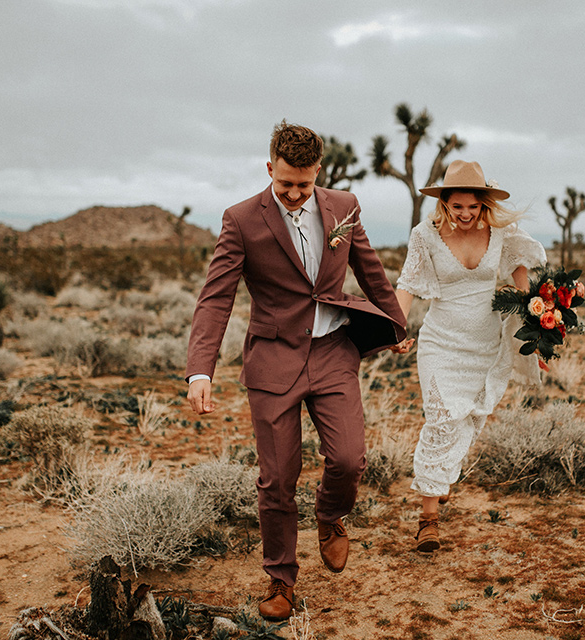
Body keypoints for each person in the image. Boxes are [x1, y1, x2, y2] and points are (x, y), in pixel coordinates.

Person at [185, 121, 406, 620]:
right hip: (273, 360)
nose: (293, 194)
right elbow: (216, 297)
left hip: (332, 354)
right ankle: (281, 580)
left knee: (349, 459)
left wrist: (396, 323)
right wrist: (201, 370)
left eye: (303, 185)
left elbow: (369, 268)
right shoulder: (241, 220)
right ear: (270, 169)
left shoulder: (343, 206)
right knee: (278, 479)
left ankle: (330, 516)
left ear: (318, 174)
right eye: (284, 184)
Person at [391, 160, 546, 552]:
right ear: (444, 202)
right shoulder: (424, 236)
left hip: (485, 343)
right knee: (441, 418)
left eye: (471, 207)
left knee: (470, 418)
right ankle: (428, 517)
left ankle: (438, 478)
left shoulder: (501, 233)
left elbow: (520, 277)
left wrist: (540, 327)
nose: (464, 214)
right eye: (456, 206)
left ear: (482, 204)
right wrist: (394, 328)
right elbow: (408, 284)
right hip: (440, 343)